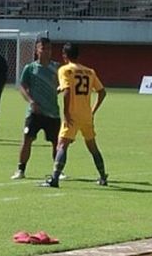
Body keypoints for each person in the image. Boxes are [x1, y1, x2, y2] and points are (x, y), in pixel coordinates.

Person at [42, 42, 108, 188]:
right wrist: (93, 110)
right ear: (78, 55)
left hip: (72, 114)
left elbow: (67, 91)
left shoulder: (65, 70)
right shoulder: (90, 71)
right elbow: (102, 92)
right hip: (86, 115)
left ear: (65, 55)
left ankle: (55, 179)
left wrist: (66, 112)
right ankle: (103, 177)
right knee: (92, 146)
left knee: (62, 145)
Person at [11, 37, 61, 179]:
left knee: (56, 142)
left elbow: (62, 84)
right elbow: (22, 86)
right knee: (27, 139)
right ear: (37, 50)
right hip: (35, 113)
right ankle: (20, 169)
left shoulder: (56, 67)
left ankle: (58, 170)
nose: (46, 51)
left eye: (49, 48)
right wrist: (31, 101)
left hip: (52, 112)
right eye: (43, 48)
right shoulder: (30, 68)